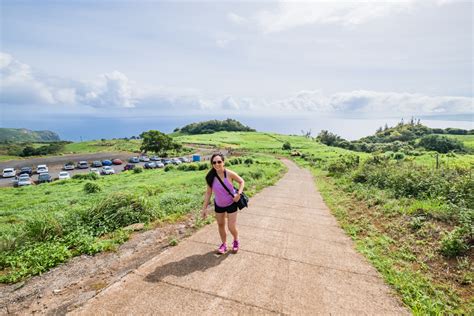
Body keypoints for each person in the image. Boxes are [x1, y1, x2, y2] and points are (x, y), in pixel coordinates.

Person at [201, 153, 245, 254]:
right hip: (219, 204)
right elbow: (208, 193)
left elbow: (241, 181)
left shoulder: (229, 173)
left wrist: (239, 194)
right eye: (214, 162)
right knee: (220, 225)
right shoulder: (210, 177)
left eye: (219, 162)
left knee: (231, 227)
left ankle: (236, 240)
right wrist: (204, 209)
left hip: (231, 203)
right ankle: (224, 244)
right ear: (212, 164)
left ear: (223, 162)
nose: (217, 164)